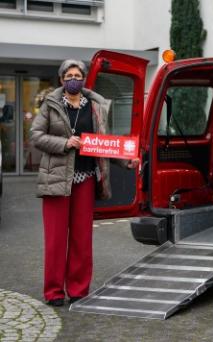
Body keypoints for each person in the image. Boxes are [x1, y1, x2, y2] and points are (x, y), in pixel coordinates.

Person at [31, 59, 139, 307]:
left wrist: (125, 162)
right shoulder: (50, 104)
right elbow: (35, 136)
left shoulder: (95, 106)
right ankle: (54, 292)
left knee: (82, 239)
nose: (73, 79)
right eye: (69, 75)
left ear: (84, 78)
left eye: (77, 75)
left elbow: (104, 144)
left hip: (86, 179)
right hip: (57, 180)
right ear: (61, 80)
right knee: (56, 240)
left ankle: (79, 289)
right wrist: (65, 144)